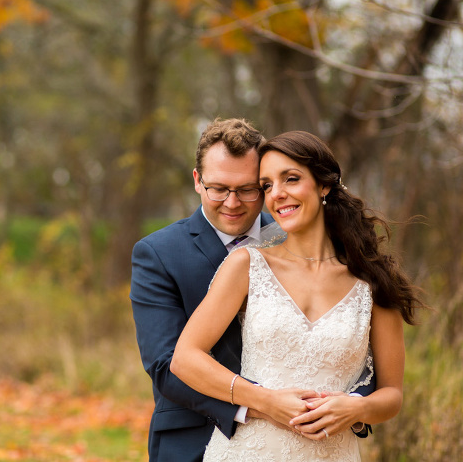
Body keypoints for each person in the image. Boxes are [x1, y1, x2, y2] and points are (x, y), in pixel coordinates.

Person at [170, 131, 424, 461]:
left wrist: (355, 408)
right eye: (267, 186)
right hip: (248, 452)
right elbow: (185, 358)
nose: (277, 194)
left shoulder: (373, 283)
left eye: (290, 179)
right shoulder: (247, 265)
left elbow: (392, 395)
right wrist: (264, 400)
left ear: (324, 185)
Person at [130, 118, 276, 462]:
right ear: (197, 181)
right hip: (194, 438)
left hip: (291, 440)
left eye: (246, 189)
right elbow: (165, 365)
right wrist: (257, 406)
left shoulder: (293, 238)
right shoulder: (157, 253)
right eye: (219, 189)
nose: (232, 202)